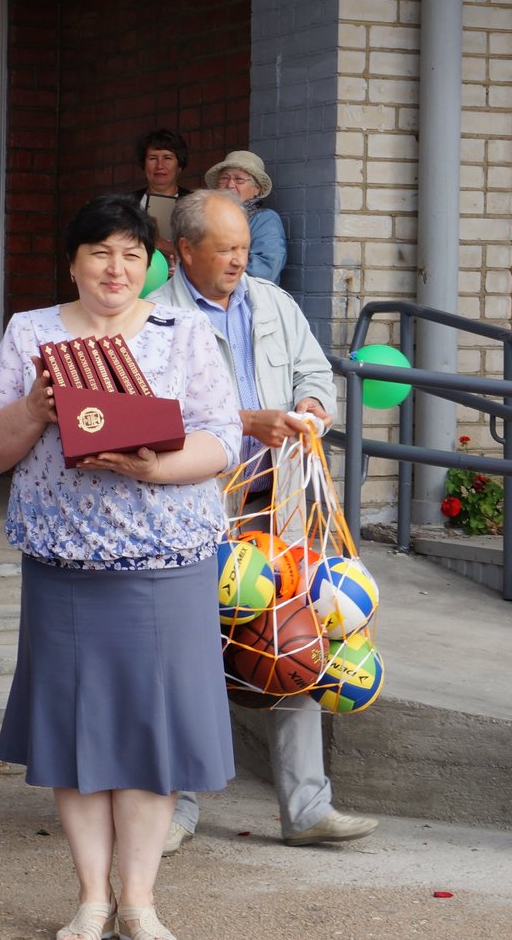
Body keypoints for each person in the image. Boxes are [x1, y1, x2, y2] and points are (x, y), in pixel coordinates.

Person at [0, 194, 240, 940]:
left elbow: (225, 439)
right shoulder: (32, 335)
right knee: (76, 738)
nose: (115, 269)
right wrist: (34, 410)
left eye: (130, 254)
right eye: (98, 253)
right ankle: (91, 898)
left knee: (150, 741)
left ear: (149, 264)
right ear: (74, 262)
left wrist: (154, 467)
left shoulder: (183, 333)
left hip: (166, 564)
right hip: (65, 567)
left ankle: (140, 902)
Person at [149, 189, 377, 854]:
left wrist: (308, 402)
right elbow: (155, 417)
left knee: (293, 639)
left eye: (245, 248)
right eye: (225, 250)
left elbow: (317, 373)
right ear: (184, 251)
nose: (239, 261)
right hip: (198, 507)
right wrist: (246, 422)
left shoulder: (271, 302)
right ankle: (175, 810)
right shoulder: (156, 319)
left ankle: (307, 808)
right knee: (188, 655)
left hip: (278, 506)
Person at [203, 151, 287, 284]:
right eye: (224, 178)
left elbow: (264, 272)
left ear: (257, 189)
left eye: (239, 179)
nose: (230, 185)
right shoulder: (207, 220)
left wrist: (205, 274)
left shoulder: (265, 219)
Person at [132, 128, 191, 264]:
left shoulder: (195, 204)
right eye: (152, 158)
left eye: (167, 158)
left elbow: (201, 253)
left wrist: (158, 242)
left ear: (179, 165)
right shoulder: (126, 204)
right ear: (144, 165)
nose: (159, 165)